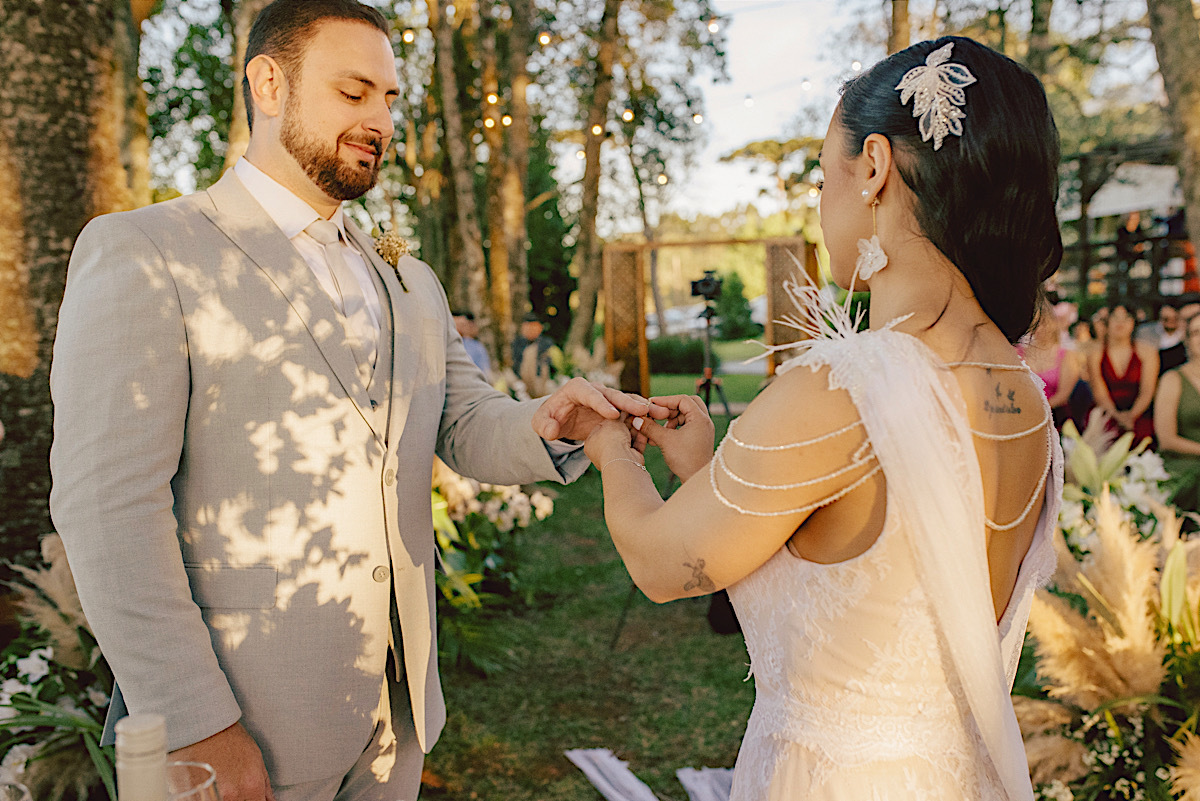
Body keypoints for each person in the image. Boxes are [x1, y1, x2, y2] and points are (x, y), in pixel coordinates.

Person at [48, 3, 663, 800]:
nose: (380, 119)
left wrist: (550, 421)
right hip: (240, 731)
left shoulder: (406, 274)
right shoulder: (148, 251)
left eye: (391, 99)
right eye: (353, 92)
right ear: (268, 83)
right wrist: (197, 725)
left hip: (393, 720)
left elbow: (462, 420)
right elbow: (107, 509)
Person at [584, 36, 1062, 800]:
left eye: (822, 174)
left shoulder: (846, 385)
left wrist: (611, 447)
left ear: (873, 166)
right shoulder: (1021, 390)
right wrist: (706, 470)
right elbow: (879, 566)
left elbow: (658, 560)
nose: (820, 200)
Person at [1088, 303, 1159, 445]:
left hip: (1139, 414)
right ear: (1107, 323)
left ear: (1133, 323)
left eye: (1126, 318)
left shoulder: (1147, 352)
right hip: (1106, 413)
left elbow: (1147, 391)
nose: (1120, 323)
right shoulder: (1095, 354)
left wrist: (1131, 416)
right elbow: (1099, 392)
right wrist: (1116, 416)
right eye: (1115, 318)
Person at [1154, 312, 1200, 513]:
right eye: (1197, 332)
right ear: (1188, 340)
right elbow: (1167, 439)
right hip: (1184, 465)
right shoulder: (1173, 379)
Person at [1018, 300, 1081, 428]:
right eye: (1036, 324)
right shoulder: (1018, 352)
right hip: (1022, 413)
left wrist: (1041, 408)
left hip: (1055, 416)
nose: (1040, 328)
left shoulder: (1066, 355)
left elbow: (1063, 394)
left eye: (1044, 323)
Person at [452, 309, 492, 377]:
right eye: (456, 325)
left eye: (462, 325)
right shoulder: (447, 344)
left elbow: (484, 371)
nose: (458, 328)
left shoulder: (476, 347)